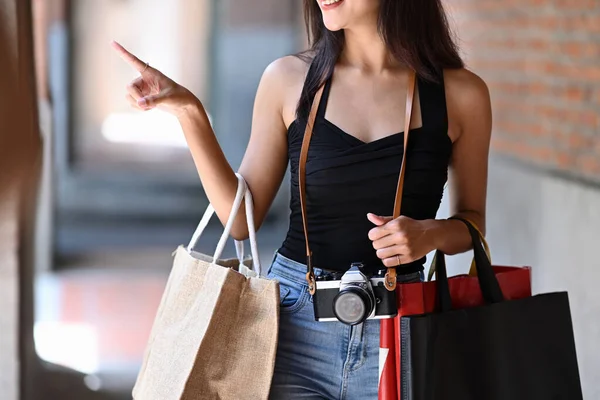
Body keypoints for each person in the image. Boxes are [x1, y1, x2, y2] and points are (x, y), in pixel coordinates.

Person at [113, 0, 492, 398]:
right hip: (293, 323)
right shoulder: (289, 79)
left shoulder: (462, 95)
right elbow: (241, 219)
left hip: (402, 327)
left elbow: (472, 222)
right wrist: (189, 113)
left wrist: (430, 234)